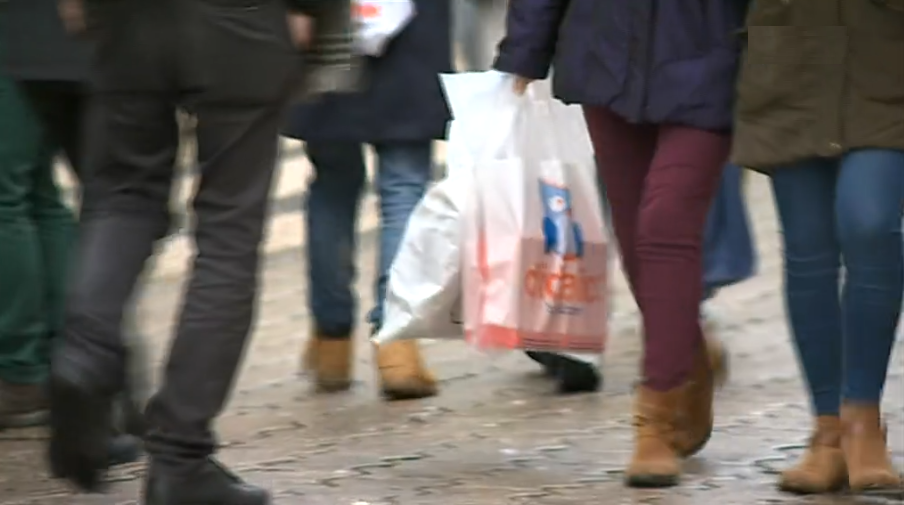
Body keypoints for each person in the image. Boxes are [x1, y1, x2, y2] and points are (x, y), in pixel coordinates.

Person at [44, 0, 339, 503]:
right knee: (229, 229)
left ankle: (83, 354)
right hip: (242, 20)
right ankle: (180, 456)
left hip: (127, 19)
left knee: (122, 197)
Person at [494, 0, 749, 487]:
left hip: (709, 52)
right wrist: (524, 52)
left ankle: (656, 409)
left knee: (665, 224)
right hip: (606, 52)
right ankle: (687, 351)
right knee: (635, 241)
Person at [732, 1, 904, 494]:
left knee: (870, 224)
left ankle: (862, 420)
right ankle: (827, 431)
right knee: (808, 251)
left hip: (885, 62)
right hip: (788, 62)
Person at [284, 0, 451, 401]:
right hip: (410, 28)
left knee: (332, 182)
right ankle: (396, 343)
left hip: (327, 27)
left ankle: (331, 341)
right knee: (404, 185)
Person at [0, 0, 143, 462]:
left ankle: (24, 372)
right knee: (73, 202)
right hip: (101, 36)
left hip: (23, 33)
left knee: (12, 199)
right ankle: (89, 374)